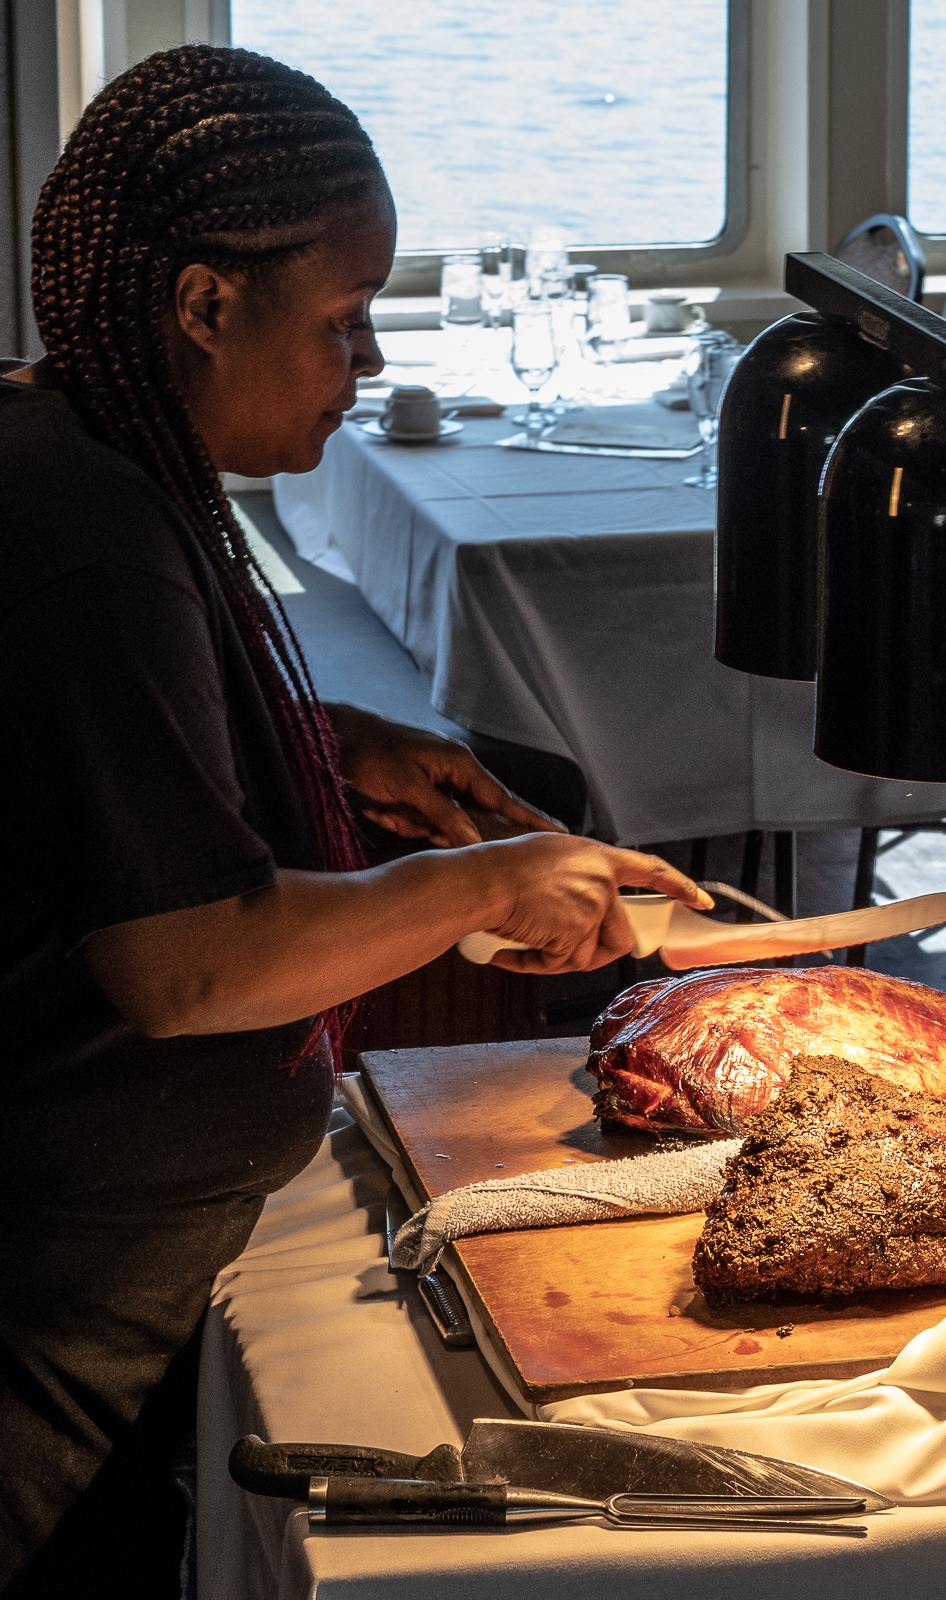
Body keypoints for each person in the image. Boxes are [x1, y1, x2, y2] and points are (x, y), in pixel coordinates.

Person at [0, 45, 709, 1594]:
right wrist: (481, 882)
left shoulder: (78, 448)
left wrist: (321, 741)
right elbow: (192, 968)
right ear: (204, 303)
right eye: (340, 320)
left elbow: (72, 769)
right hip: (60, 1280)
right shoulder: (91, 530)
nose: (370, 360)